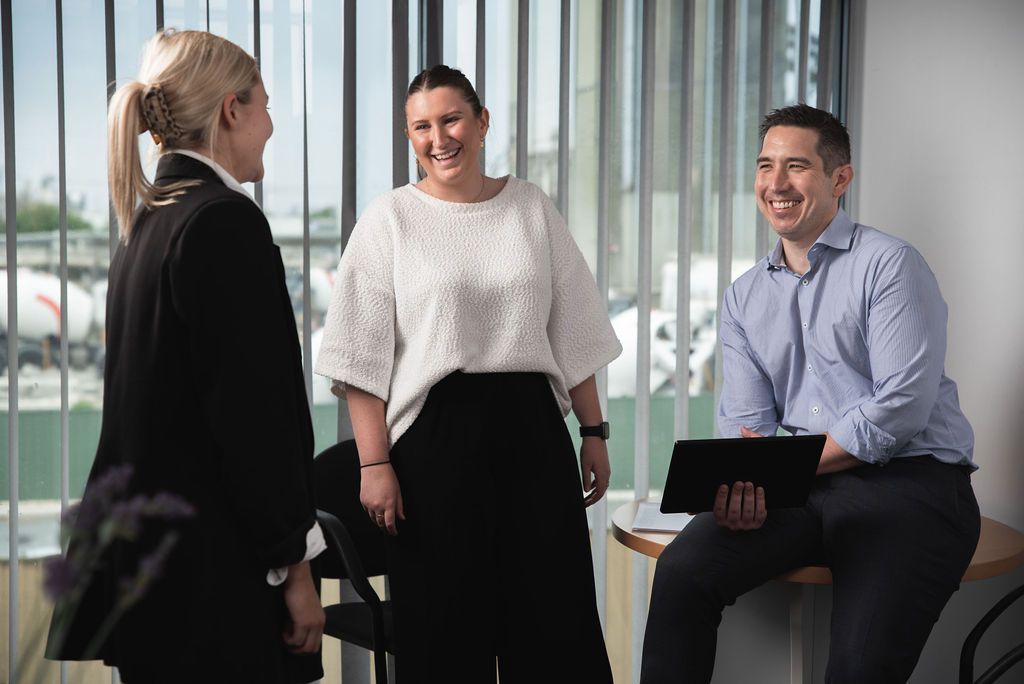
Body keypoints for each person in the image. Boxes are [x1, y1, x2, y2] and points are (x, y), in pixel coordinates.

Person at [641, 104, 980, 684]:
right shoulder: (744, 297)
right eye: (765, 165)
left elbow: (900, 407)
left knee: (858, 666)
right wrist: (743, 482)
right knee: (682, 573)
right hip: (799, 486)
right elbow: (746, 425)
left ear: (839, 178)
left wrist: (781, 464)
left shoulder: (890, 265)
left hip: (910, 483)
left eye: (796, 166)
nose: (775, 184)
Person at [315, 65, 621, 683]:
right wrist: (374, 467)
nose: (438, 138)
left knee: (557, 627)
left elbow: (574, 328)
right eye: (420, 127)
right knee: (446, 636)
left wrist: (594, 431)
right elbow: (358, 359)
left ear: (482, 123)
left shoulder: (530, 207)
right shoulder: (389, 220)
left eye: (451, 119)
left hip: (534, 436)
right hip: (432, 449)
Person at [45, 29, 325, 683]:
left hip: (155, 579)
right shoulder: (222, 222)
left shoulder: (143, 227)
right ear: (232, 109)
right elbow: (256, 424)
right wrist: (297, 571)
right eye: (263, 105)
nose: (272, 125)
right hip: (214, 581)